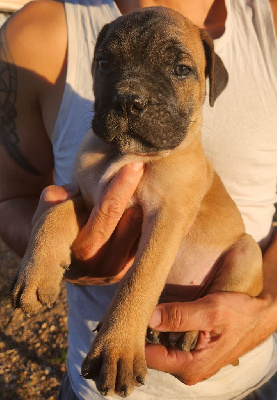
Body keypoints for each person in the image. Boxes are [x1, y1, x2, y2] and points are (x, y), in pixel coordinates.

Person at [0, 0, 277, 398]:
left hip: (251, 378)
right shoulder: (42, 30)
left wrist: (269, 310)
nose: (131, 94)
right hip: (93, 387)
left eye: (179, 69)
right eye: (108, 66)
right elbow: (51, 200)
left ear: (208, 78)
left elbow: (167, 221)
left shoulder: (266, 19)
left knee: (245, 251)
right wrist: (48, 240)